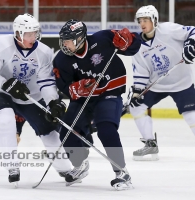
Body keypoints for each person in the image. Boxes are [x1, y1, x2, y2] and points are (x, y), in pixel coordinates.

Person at [52, 19, 141, 190]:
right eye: (63, 40)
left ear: (80, 38)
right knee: (65, 131)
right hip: (84, 99)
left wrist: (128, 41)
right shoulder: (62, 59)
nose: (64, 44)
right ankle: (80, 164)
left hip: (109, 93)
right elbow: (63, 86)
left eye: (68, 40)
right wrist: (75, 89)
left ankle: (121, 171)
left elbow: (135, 44)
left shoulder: (103, 39)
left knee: (106, 128)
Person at [0, 13, 73, 186]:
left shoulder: (44, 52)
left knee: (49, 131)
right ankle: (12, 166)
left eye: (35, 33)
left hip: (31, 96)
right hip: (3, 92)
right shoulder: (0, 44)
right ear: (18, 33)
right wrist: (6, 83)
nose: (33, 37)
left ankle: (66, 168)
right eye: (28, 34)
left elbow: (45, 81)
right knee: (6, 118)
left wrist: (52, 101)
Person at [127, 5, 195, 161]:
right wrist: (137, 91)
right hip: (156, 85)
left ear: (155, 20)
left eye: (146, 20)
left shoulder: (169, 30)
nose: (142, 24)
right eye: (140, 21)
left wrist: (191, 45)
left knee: (191, 115)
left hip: (181, 83)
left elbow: (193, 31)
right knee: (136, 107)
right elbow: (141, 71)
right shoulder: (137, 45)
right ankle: (150, 144)